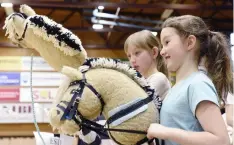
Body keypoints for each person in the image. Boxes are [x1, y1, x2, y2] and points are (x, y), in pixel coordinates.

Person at [147, 15, 231, 145]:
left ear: (190, 43)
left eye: (167, 42)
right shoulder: (178, 87)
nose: (162, 51)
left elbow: (221, 140)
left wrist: (165, 132)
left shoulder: (198, 84)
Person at [124, 30, 171, 101]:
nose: (132, 60)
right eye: (129, 56)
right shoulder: (143, 80)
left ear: (154, 52)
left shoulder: (159, 78)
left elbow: (137, 105)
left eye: (137, 53)